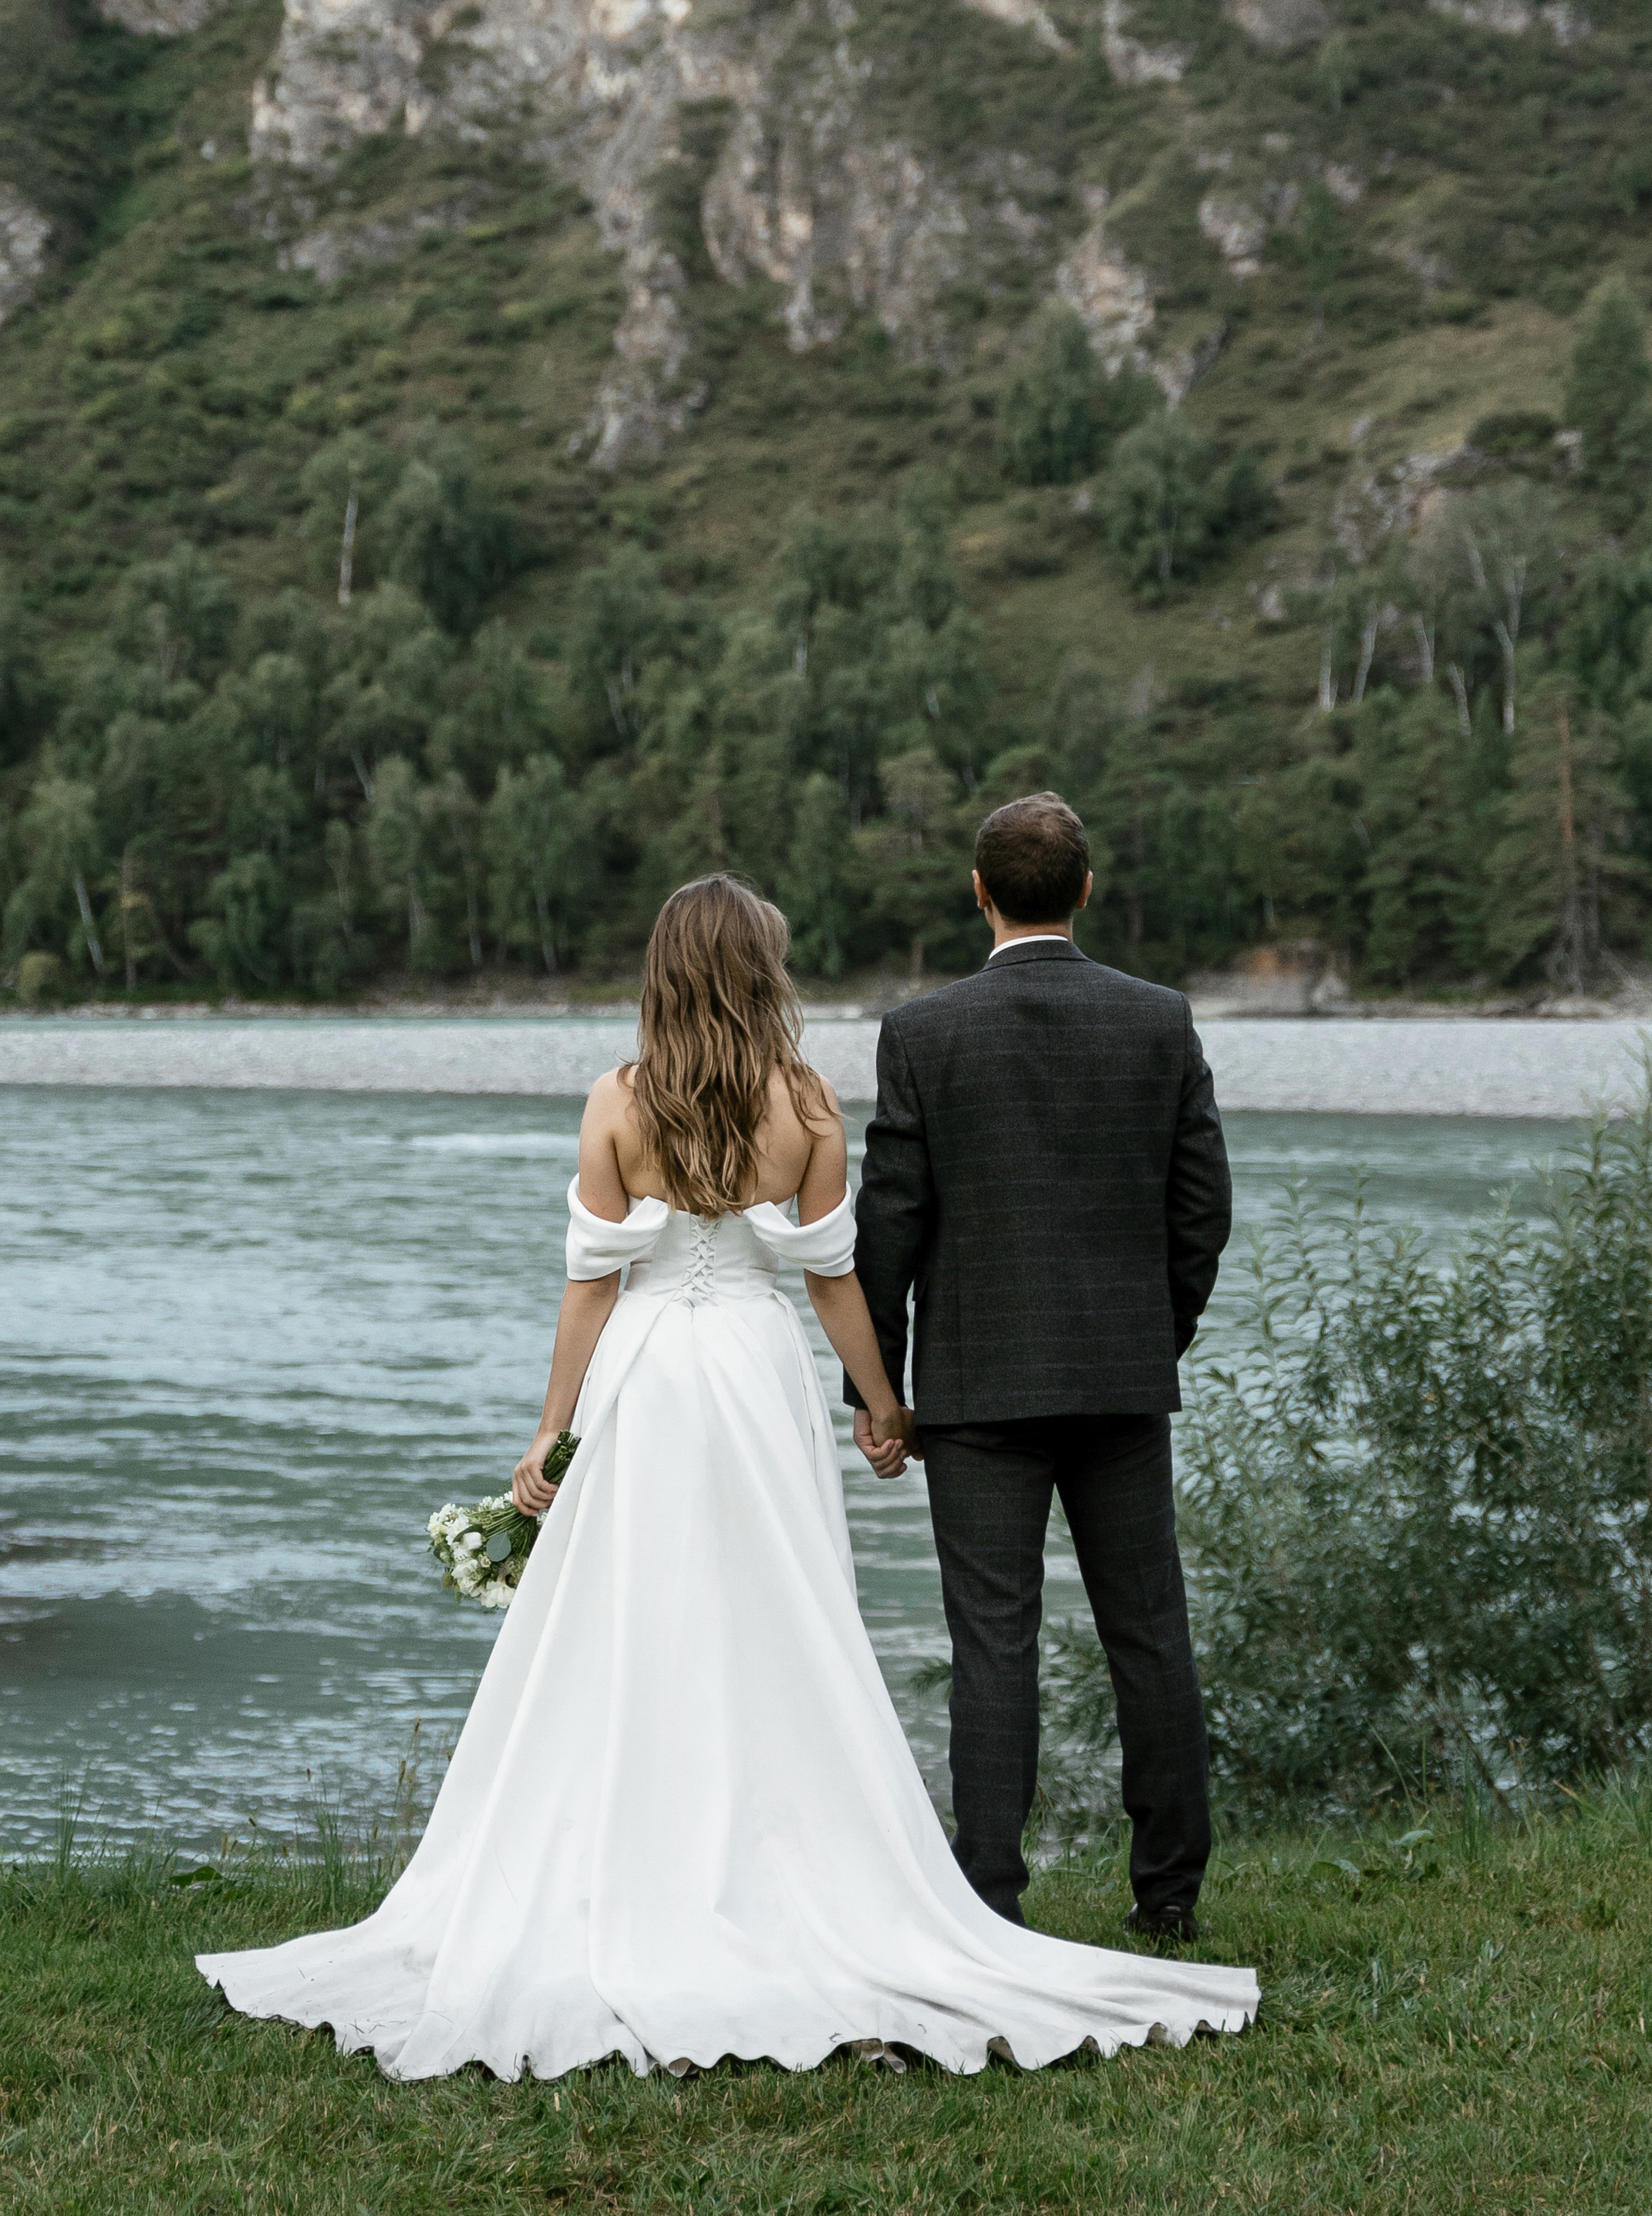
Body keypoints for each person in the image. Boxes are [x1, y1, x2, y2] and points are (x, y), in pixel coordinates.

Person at [197, 875, 1256, 2079]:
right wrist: (883, 1404)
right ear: (763, 969)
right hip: (755, 1377)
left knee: (629, 1621)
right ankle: (811, 1865)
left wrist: (549, 1431)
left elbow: (592, 1282)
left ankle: (630, 1860)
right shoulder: (802, 1102)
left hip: (647, 1379)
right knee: (778, 1615)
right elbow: (833, 1277)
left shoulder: (619, 1100)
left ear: (662, 969)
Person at [851, 791, 1232, 1943]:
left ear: (977, 892)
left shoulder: (922, 1033)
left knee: (992, 1644)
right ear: (1085, 889)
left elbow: (890, 1226)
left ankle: (990, 1905)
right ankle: (1168, 1899)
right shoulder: (1159, 1019)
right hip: (1120, 1381)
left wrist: (885, 1395)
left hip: (976, 1390)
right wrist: (1150, 1339)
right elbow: (1201, 1213)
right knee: (1150, 1633)